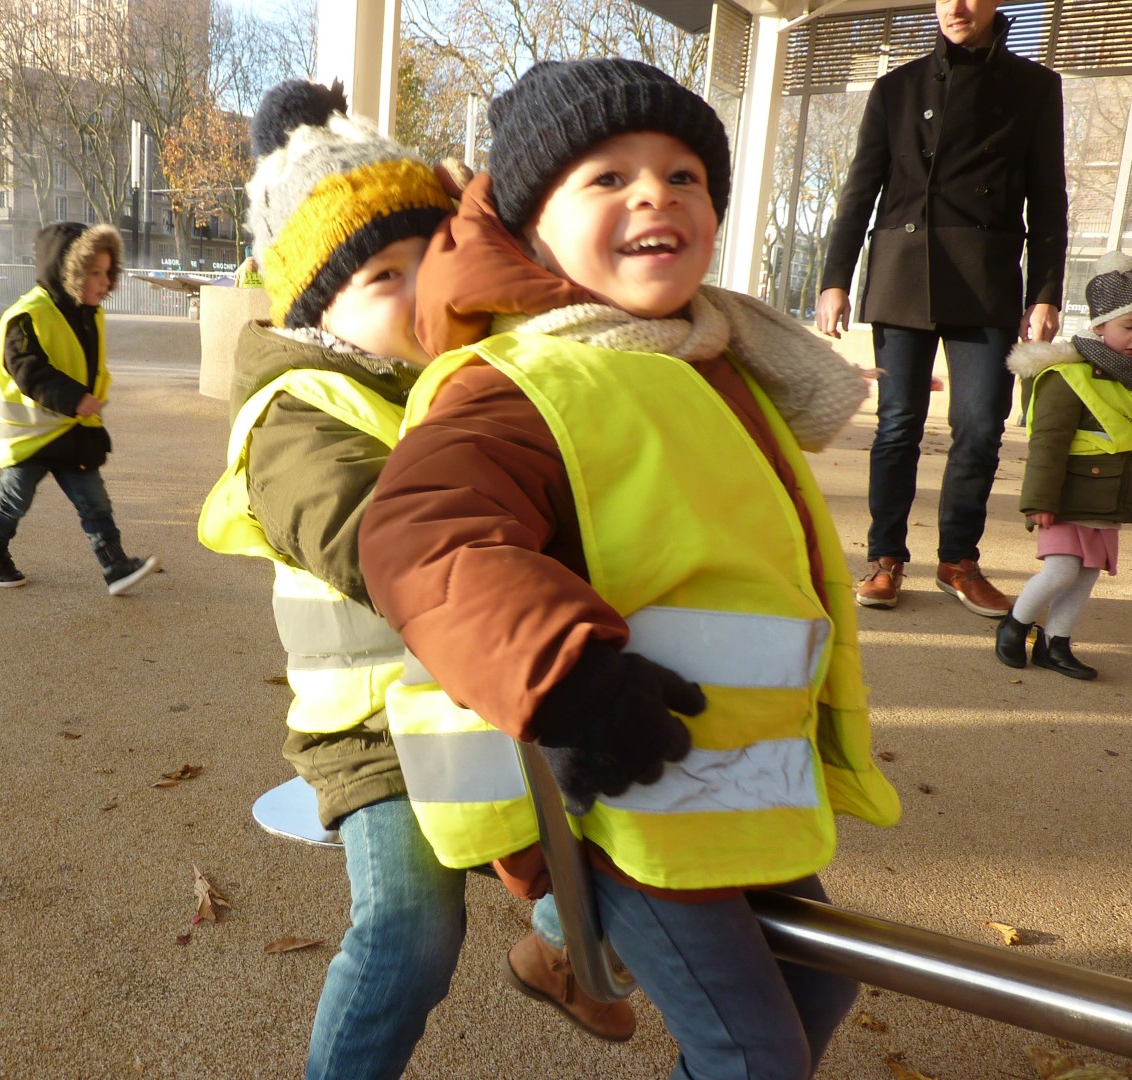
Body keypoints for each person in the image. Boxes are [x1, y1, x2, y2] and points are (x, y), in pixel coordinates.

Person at [359, 57, 902, 1078]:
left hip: (719, 777)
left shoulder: (702, 361)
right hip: (609, 779)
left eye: (684, 175)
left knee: (822, 981)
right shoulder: (524, 382)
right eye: (606, 178)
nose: (654, 191)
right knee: (752, 1049)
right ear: (531, 232)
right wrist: (562, 675)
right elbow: (422, 534)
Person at [198, 80, 633, 1080]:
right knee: (410, 927)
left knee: (625, 846)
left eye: (430, 260)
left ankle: (561, 952)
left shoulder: (473, 378)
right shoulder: (294, 408)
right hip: (374, 725)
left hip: (483, 692)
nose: (416, 292)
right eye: (380, 276)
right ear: (320, 305)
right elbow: (372, 536)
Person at [815, 0, 1068, 617]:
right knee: (899, 423)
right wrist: (834, 278)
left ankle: (958, 560)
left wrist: (1046, 292)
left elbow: (1049, 196)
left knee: (981, 426)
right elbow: (860, 190)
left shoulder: (1036, 87)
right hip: (903, 272)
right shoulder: (895, 89)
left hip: (985, 275)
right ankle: (885, 559)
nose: (955, 7)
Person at [0, 221, 158, 595]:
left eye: (108, 273)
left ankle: (115, 565)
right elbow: (26, 367)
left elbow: (89, 366)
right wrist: (73, 397)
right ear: (68, 271)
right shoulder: (30, 313)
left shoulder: (89, 314)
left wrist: (90, 398)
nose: (104, 281)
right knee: (15, 497)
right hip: (32, 431)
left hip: (72, 431)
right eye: (95, 273)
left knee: (95, 500)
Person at [996, 252, 1132, 680]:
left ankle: (1056, 644)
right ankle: (1014, 625)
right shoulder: (1067, 375)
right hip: (1064, 495)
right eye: (1128, 327)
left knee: (1087, 573)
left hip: (1103, 500)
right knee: (1061, 570)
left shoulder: (1125, 378)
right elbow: (1048, 445)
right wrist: (1038, 501)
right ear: (1098, 326)